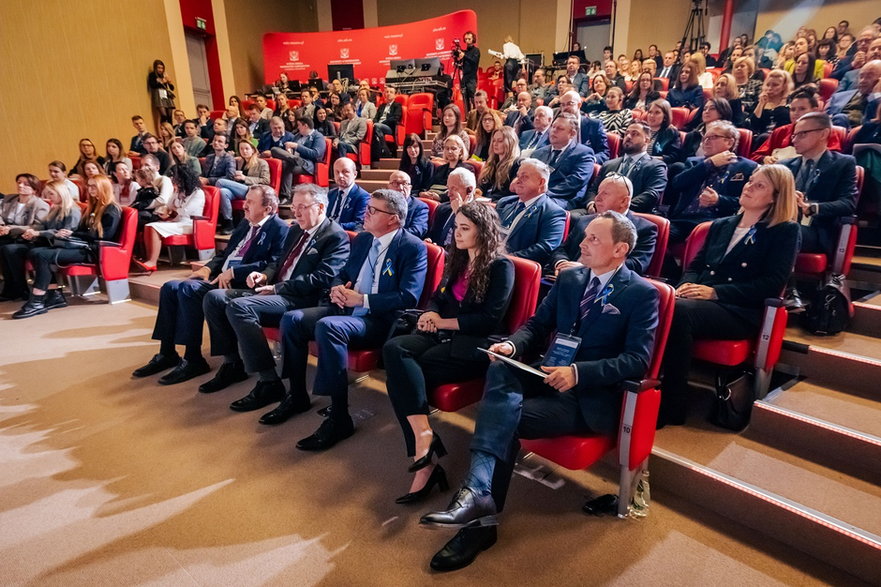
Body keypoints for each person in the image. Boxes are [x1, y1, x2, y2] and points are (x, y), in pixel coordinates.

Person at [419, 210, 659, 571]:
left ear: (620, 249)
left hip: (587, 395)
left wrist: (579, 372)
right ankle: (479, 495)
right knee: (499, 367)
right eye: (585, 236)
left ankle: (481, 519)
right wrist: (513, 347)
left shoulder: (641, 294)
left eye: (594, 238)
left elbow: (636, 361)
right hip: (546, 372)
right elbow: (535, 326)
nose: (582, 243)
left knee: (505, 418)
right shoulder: (572, 278)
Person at [275, 190, 427, 451]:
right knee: (293, 319)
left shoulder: (412, 247)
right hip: (346, 309)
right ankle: (297, 394)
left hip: (378, 319)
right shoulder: (363, 240)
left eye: (373, 211)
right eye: (367, 208)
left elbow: (408, 296)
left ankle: (339, 416)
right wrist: (335, 288)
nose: (365, 214)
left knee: (328, 326)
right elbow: (342, 273)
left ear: (393, 219)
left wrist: (363, 300)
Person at [383, 202, 514, 503]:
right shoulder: (456, 258)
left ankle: (426, 465)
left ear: (484, 231)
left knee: (401, 376)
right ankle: (424, 438)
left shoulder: (500, 266)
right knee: (394, 349)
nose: (457, 233)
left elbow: (488, 320)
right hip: (442, 336)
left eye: (465, 228)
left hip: (475, 345)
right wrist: (430, 314)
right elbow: (437, 297)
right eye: (456, 227)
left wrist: (442, 321)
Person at [659, 164, 800, 426]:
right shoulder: (722, 224)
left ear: (775, 197)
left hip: (739, 309)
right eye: (750, 181)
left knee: (678, 313)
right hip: (700, 301)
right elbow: (695, 266)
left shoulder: (784, 230)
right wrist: (686, 286)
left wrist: (715, 292)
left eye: (759, 185)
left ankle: (672, 404)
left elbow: (771, 284)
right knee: (659, 302)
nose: (748, 186)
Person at [200, 185, 348, 407]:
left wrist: (278, 288)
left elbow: (321, 279)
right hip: (276, 291)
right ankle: (232, 363)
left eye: (302, 207)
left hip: (300, 298)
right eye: (294, 207)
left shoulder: (335, 236)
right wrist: (264, 275)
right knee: (214, 298)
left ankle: (269, 382)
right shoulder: (296, 229)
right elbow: (278, 263)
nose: (295, 213)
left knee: (240, 307)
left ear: (320, 207)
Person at [132, 186, 289, 384]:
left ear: (267, 209)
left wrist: (235, 272)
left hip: (243, 282)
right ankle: (167, 352)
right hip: (219, 276)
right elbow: (224, 255)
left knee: (189, 290)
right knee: (170, 287)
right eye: (245, 200)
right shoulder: (245, 224)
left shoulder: (280, 228)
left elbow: (272, 263)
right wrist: (207, 268)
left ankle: (193, 358)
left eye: (250, 202)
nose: (244, 205)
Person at [14, 176, 121, 319]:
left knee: (42, 255)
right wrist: (74, 233)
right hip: (82, 245)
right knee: (34, 252)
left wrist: (74, 233)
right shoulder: (93, 207)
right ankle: (53, 295)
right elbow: (84, 231)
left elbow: (105, 236)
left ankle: (37, 301)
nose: (90, 189)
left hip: (92, 251)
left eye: (94, 186)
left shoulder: (112, 209)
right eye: (89, 186)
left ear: (104, 188)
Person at [781, 112, 859, 258]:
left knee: (782, 231)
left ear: (823, 134)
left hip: (815, 230)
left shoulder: (843, 163)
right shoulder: (784, 165)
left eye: (802, 134)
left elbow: (847, 204)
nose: (794, 140)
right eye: (794, 135)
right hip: (784, 220)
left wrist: (812, 209)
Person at [667, 120, 758, 244]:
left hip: (716, 223)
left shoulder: (747, 167)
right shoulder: (694, 162)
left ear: (729, 142)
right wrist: (709, 164)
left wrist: (719, 200)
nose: (706, 141)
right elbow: (677, 184)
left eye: (713, 137)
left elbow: (748, 203)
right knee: (655, 234)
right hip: (682, 220)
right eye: (705, 138)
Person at [550, 175, 657, 276]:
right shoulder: (584, 220)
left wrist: (586, 269)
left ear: (624, 201)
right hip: (564, 277)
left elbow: (636, 265)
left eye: (605, 194)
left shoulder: (644, 229)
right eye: (598, 192)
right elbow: (561, 249)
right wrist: (561, 263)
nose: (597, 198)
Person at [0, 181, 81, 302]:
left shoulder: (72, 210)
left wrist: (38, 233)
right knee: (7, 248)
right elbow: (43, 226)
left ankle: (37, 294)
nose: (48, 197)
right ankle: (20, 288)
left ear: (61, 194)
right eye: (47, 193)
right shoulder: (55, 208)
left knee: (32, 252)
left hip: (62, 245)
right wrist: (32, 232)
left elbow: (64, 233)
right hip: (48, 242)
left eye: (51, 194)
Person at [133, 165, 206, 272]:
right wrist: (169, 207)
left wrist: (174, 210)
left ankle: (152, 262)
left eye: (174, 176)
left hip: (190, 223)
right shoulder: (179, 191)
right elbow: (169, 205)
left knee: (153, 227)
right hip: (178, 221)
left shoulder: (198, 192)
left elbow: (185, 211)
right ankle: (150, 260)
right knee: (148, 226)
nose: (172, 179)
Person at [584, 122, 668, 213]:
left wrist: (617, 208)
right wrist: (591, 204)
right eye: (626, 133)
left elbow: (651, 195)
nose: (628, 136)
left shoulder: (656, 166)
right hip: (597, 211)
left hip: (631, 214)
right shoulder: (608, 164)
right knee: (574, 217)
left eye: (634, 134)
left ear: (647, 141)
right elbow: (593, 190)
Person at [495, 158, 566, 265]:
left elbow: (544, 248)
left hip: (515, 267)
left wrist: (506, 258)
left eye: (524, 177)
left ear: (541, 182)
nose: (518, 181)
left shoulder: (553, 213)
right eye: (518, 176)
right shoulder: (504, 203)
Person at [751, 86, 842, 164]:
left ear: (815, 110)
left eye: (802, 109)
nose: (796, 113)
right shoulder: (780, 131)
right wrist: (765, 159)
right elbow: (755, 156)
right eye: (793, 109)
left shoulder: (826, 132)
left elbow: (833, 160)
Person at [530, 113, 596, 210]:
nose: (553, 131)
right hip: (538, 194)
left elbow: (575, 182)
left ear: (572, 134)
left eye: (560, 129)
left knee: (537, 206)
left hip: (564, 198)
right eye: (553, 127)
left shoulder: (584, 153)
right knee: (506, 202)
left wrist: (543, 193)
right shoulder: (538, 153)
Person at [216, 140, 270, 230]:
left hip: (253, 190)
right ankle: (228, 222)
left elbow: (266, 181)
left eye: (247, 149)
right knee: (223, 191)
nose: (244, 151)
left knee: (220, 182)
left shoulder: (261, 163)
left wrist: (245, 178)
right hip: (240, 189)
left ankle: (220, 216)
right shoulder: (239, 162)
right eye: (241, 149)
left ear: (253, 150)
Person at [271, 116, 327, 202]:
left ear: (305, 126)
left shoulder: (318, 136)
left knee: (286, 164)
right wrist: (289, 150)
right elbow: (290, 149)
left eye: (299, 125)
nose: (298, 127)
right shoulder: (297, 136)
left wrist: (297, 146)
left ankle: (286, 196)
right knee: (274, 150)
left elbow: (316, 154)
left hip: (307, 164)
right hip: (294, 159)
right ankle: (295, 159)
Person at [556, 90, 611, 163]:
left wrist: (590, 160)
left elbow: (604, 153)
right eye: (563, 105)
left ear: (579, 105)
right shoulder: (558, 126)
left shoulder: (594, 125)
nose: (565, 108)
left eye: (570, 104)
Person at [0, 174, 51, 250]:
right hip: (5, 235)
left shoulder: (41, 205)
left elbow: (38, 227)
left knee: (8, 248)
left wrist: (10, 228)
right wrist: (1, 225)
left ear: (34, 189)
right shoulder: (9, 198)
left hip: (25, 238)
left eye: (25, 184)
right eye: (19, 182)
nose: (20, 185)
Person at [746, 69, 793, 143]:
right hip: (760, 139)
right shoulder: (760, 101)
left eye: (775, 85)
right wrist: (761, 104)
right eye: (768, 85)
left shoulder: (790, 102)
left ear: (784, 86)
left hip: (783, 139)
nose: (770, 88)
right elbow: (752, 125)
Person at [420, 135, 471, 202]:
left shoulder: (467, 169)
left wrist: (440, 197)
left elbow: (461, 191)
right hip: (432, 198)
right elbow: (429, 185)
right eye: (447, 148)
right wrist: (423, 193)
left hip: (451, 202)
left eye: (453, 148)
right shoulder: (440, 168)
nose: (449, 151)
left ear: (460, 151)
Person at [326, 158, 370, 230]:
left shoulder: (362, 196)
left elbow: (359, 223)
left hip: (343, 234)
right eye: (337, 172)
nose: (340, 175)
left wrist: (332, 227)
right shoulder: (331, 194)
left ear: (355, 174)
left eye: (345, 172)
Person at [478, 128, 521, 201]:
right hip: (483, 202)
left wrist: (486, 199)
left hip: (500, 205)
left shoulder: (517, 164)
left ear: (510, 142)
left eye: (500, 141)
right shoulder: (492, 163)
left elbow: (510, 193)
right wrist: (478, 192)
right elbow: (482, 185)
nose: (495, 144)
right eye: (494, 140)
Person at [387, 171, 429, 238]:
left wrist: (389, 236)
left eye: (405, 183)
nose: (400, 188)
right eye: (395, 183)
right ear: (389, 187)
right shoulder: (382, 204)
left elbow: (418, 230)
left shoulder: (420, 207)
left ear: (410, 187)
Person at [645, 99, 682, 165]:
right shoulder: (642, 129)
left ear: (665, 116)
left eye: (657, 113)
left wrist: (650, 159)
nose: (652, 116)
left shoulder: (671, 133)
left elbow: (674, 157)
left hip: (656, 166)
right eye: (650, 112)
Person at [372, 86, 403, 159]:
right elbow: (376, 118)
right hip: (378, 126)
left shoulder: (397, 105)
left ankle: (385, 150)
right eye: (387, 92)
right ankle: (381, 152)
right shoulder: (382, 106)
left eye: (391, 92)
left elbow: (395, 118)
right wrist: (375, 123)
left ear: (395, 95)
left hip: (389, 127)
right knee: (374, 127)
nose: (388, 94)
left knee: (377, 126)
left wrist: (382, 123)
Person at [455, 31, 480, 111]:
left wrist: (464, 56)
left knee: (473, 98)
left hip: (472, 78)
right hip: (464, 78)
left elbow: (474, 61)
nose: (467, 41)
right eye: (466, 39)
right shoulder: (465, 52)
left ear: (473, 39)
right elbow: (463, 65)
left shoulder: (476, 51)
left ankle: (476, 115)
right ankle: (467, 116)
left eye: (469, 39)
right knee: (465, 99)